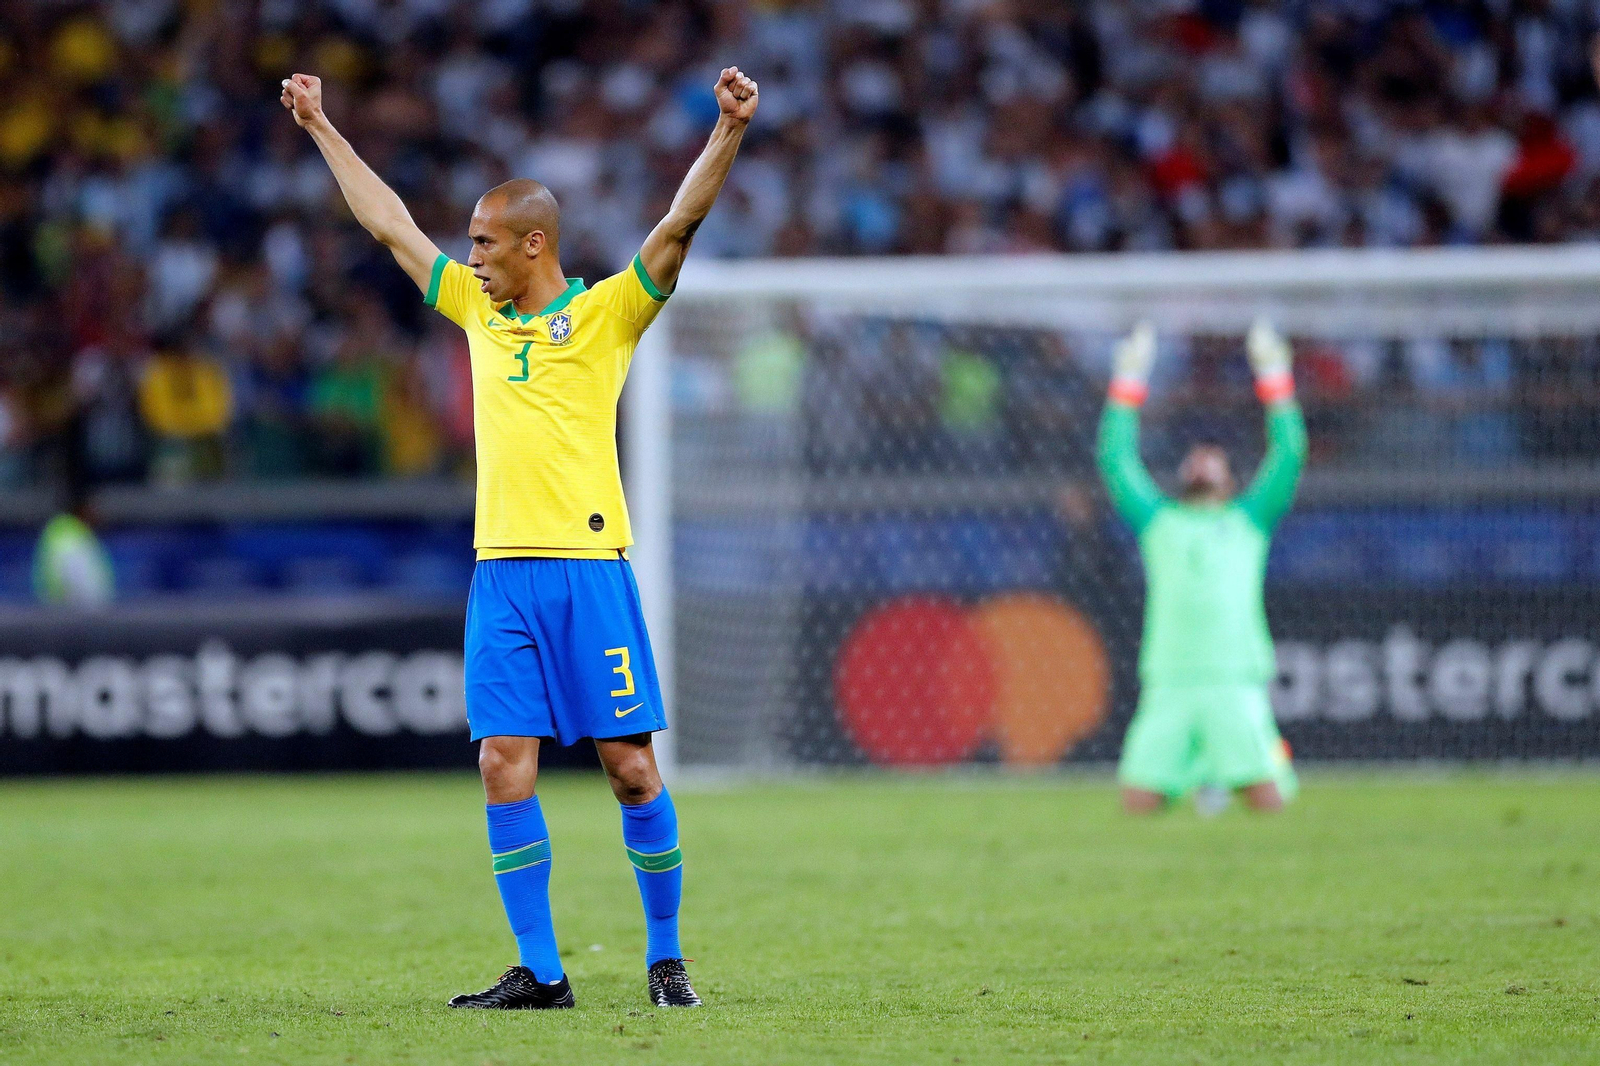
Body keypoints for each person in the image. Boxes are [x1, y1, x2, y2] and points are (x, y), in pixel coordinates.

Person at [282, 63, 759, 1009]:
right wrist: (321, 126)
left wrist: (729, 130)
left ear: (533, 243)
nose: (473, 257)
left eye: (486, 242)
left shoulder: (605, 314)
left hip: (589, 575)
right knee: (503, 765)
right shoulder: (475, 312)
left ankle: (665, 957)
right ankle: (543, 974)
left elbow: (678, 227)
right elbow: (388, 225)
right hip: (500, 579)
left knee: (630, 772)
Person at [1096, 320, 1307, 814]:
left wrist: (1274, 375)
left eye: (1215, 457)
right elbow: (1116, 459)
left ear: (1231, 479)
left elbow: (1289, 452)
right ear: (1184, 473)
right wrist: (1128, 381)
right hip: (1169, 679)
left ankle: (1221, 772)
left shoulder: (1249, 520)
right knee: (1138, 804)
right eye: (1196, 456)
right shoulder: (1160, 521)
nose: (1204, 460)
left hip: (1233, 677)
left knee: (1270, 804)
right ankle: (1198, 774)